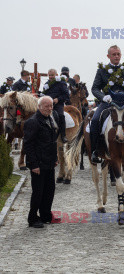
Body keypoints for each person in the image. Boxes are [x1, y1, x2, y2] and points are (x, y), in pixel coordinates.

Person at [90, 45, 124, 163]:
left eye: (118, 54)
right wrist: (103, 97)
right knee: (94, 121)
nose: (116, 56)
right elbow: (94, 88)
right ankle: (95, 151)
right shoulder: (101, 70)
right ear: (108, 56)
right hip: (109, 102)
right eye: (114, 54)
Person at [23, 96, 61, 228]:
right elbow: (28, 145)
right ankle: (32, 218)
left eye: (51, 106)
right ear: (39, 107)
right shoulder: (33, 121)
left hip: (49, 162)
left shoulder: (51, 118)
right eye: (46, 106)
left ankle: (45, 215)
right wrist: (33, 165)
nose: (49, 109)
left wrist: (55, 158)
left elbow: (52, 142)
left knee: (49, 190)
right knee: (38, 192)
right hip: (38, 163)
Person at [42, 68, 69, 143]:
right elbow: (44, 94)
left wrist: (58, 99)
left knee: (61, 116)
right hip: (47, 105)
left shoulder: (61, 82)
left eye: (52, 75)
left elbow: (66, 95)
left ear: (56, 75)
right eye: (50, 75)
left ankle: (63, 135)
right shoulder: (46, 84)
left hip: (58, 104)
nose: (51, 77)